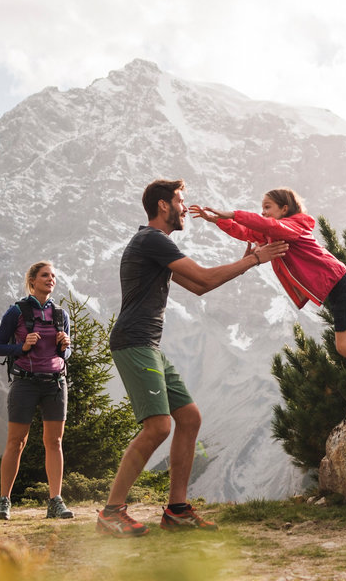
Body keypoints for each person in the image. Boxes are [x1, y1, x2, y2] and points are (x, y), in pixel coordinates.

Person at [97, 178, 290, 537]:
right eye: (181, 201)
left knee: (189, 418)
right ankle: (112, 512)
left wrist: (248, 261)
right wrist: (254, 260)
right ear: (163, 206)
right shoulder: (151, 240)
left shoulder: (158, 245)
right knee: (158, 426)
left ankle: (177, 510)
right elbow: (202, 276)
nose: (186, 208)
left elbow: (201, 286)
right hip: (135, 342)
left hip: (148, 344)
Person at [189, 187, 346, 404]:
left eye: (268, 207)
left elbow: (266, 224)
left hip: (341, 285)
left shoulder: (293, 226)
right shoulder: (273, 232)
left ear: (284, 208)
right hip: (343, 285)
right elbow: (246, 232)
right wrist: (216, 221)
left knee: (345, 347)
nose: (263, 212)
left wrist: (232, 213)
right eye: (261, 208)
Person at [0, 260, 73, 520]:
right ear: (32, 280)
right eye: (45, 275)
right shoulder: (16, 312)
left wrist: (65, 346)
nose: (51, 279)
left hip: (56, 383)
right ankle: (5, 501)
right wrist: (22, 347)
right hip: (25, 382)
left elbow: (67, 353)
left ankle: (55, 501)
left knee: (55, 442)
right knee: (17, 442)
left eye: (53, 276)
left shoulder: (60, 314)